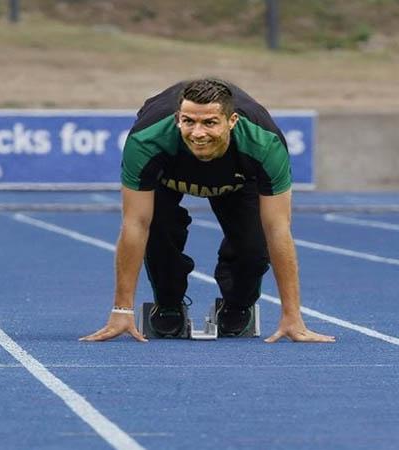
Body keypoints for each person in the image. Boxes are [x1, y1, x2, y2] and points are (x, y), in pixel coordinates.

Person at [81, 78, 335, 343]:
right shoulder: (147, 139)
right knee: (158, 232)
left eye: (210, 123)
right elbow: (135, 223)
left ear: (232, 121)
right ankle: (168, 304)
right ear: (178, 118)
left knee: (253, 248)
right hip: (166, 177)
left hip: (239, 180)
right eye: (189, 121)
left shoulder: (264, 143)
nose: (198, 133)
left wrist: (292, 316)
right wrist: (121, 310)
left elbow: (277, 229)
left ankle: (237, 305)